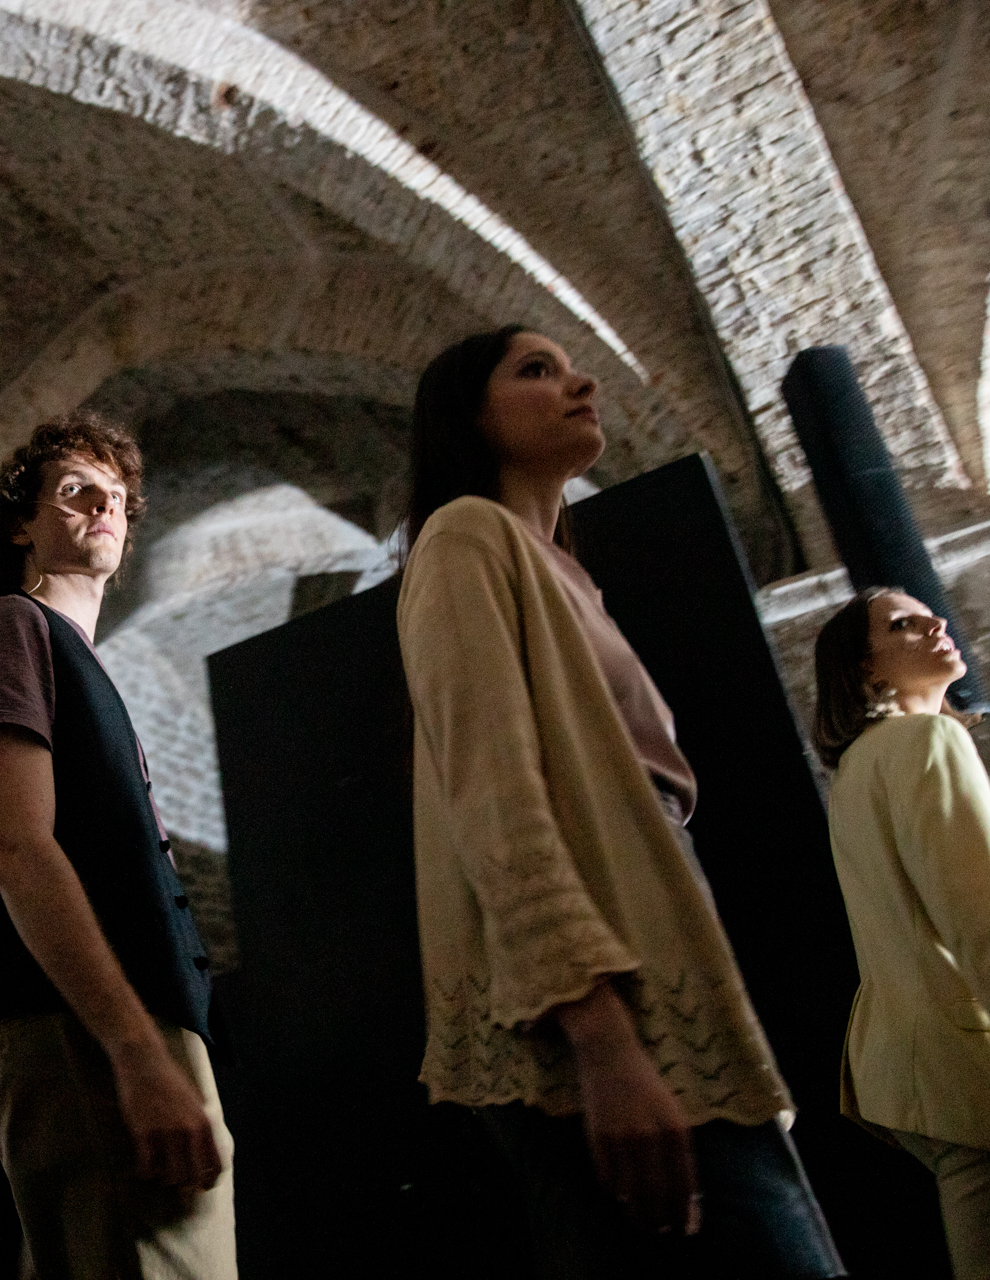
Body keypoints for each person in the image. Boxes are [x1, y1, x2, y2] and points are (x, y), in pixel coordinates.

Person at [395, 326, 844, 1278]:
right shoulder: (466, 535)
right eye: (536, 370)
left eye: (568, 364)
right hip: (593, 991)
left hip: (646, 924)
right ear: (469, 417)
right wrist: (598, 1032)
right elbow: (493, 791)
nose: (580, 379)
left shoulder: (565, 571)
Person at [0, 412, 234, 1279]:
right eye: (75, 491)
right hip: (87, 1030)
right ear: (21, 523)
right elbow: (19, 852)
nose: (104, 506)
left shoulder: (79, 660)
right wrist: (136, 1053)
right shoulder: (12, 628)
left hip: (123, 1027)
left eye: (116, 498)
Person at [814, 586, 990, 1279]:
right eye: (903, 625)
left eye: (928, 615)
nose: (936, 623)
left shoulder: (856, 772)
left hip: (930, 1084)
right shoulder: (926, 741)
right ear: (867, 672)